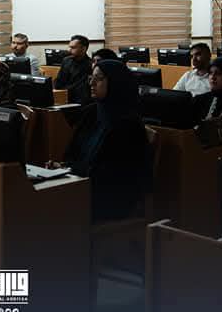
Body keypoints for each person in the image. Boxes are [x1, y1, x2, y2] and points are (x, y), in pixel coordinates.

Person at [55, 60, 152, 222]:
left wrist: (74, 171)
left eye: (98, 78)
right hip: (81, 184)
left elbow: (114, 175)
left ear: (115, 83)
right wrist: (62, 167)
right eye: (91, 78)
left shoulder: (128, 123)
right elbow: (73, 151)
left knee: (49, 208)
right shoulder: (92, 112)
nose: (91, 83)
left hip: (110, 198)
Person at [55, 35, 93, 105]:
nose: (69, 50)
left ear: (84, 49)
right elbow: (58, 82)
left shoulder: (90, 65)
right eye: (69, 47)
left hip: (79, 101)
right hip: (63, 97)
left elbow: (80, 89)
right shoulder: (66, 61)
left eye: (73, 48)